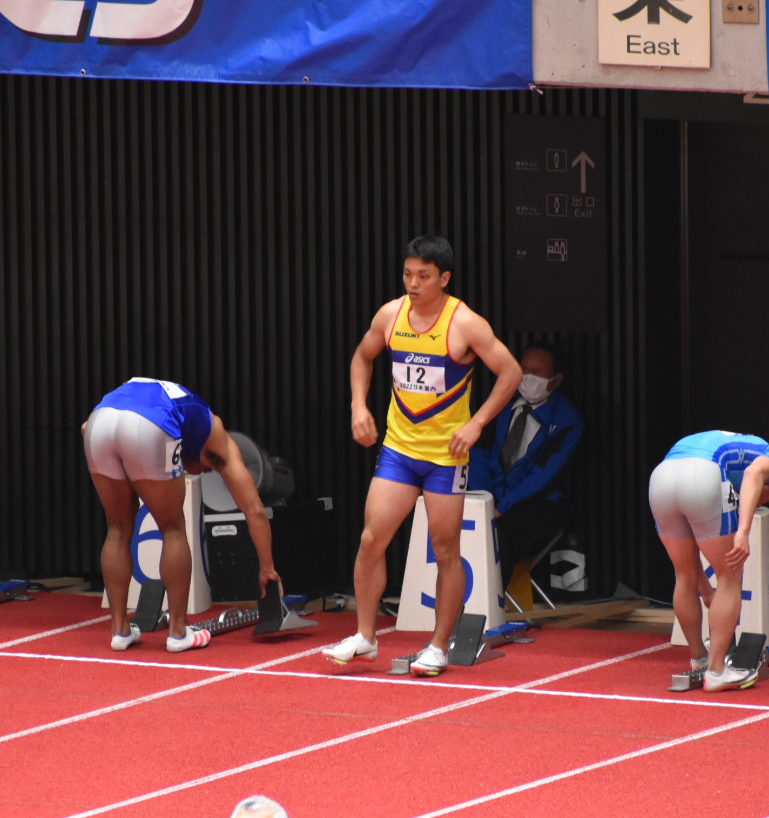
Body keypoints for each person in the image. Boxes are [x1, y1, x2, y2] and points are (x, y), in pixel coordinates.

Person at [322, 235, 522, 677]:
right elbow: (362, 357)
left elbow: (511, 372)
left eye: (424, 276)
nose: (413, 283)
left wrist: (477, 423)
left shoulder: (464, 322)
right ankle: (366, 636)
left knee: (445, 549)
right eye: (408, 274)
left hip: (446, 457)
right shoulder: (391, 315)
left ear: (444, 279)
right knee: (372, 539)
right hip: (398, 449)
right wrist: (358, 405)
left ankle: (437, 645)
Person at [82, 377, 281, 653]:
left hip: (99, 423)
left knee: (117, 527)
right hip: (149, 424)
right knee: (173, 527)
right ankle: (178, 632)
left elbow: (86, 428)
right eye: (206, 469)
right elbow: (254, 509)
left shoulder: (185, 415)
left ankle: (120, 631)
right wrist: (267, 568)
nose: (200, 473)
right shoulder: (218, 437)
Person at [648, 430, 769, 692]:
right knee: (729, 576)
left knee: (684, 575)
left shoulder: (726, 447)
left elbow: (692, 568)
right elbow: (752, 476)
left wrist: (706, 590)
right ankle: (716, 671)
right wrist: (743, 532)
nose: (760, 500)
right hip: (703, 474)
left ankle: (699, 657)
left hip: (661, 476)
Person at [468, 343, 583, 592]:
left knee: (500, 531)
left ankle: (492, 601)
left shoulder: (567, 420)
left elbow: (544, 474)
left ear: (555, 380)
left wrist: (502, 507)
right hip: (492, 497)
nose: (528, 377)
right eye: (524, 369)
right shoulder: (499, 402)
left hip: (540, 503)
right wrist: (484, 500)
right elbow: (478, 453)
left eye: (538, 372)